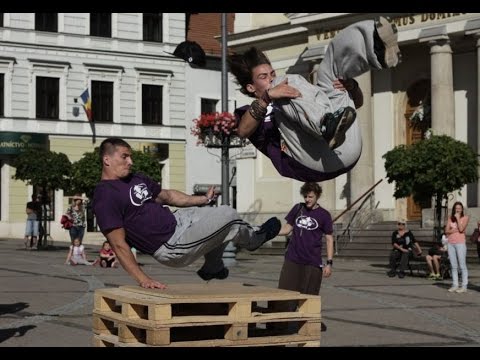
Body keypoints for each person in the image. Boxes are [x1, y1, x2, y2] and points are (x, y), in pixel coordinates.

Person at [92, 137, 282, 289]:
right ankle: (255, 239)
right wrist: (143, 279)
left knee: (216, 217)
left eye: (130, 156)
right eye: (124, 157)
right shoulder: (105, 196)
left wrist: (203, 200)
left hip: (180, 219)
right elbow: (118, 245)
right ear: (107, 159)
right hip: (171, 245)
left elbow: (167, 196)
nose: (130, 162)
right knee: (228, 218)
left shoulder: (136, 178)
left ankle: (212, 267)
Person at [228, 16, 401, 182]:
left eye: (272, 73)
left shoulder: (294, 95)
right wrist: (268, 96)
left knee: (328, 72)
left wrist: (351, 87)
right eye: (264, 77)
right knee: (283, 82)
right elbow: (243, 131)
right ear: (251, 87)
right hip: (310, 161)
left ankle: (374, 45)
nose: (271, 79)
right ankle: (325, 125)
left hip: (346, 149)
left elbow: (358, 103)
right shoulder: (248, 112)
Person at [276, 182, 333, 332]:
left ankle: (310, 323)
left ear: (317, 196)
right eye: (305, 196)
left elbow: (329, 239)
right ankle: (279, 325)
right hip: (293, 259)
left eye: (310, 197)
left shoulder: (324, 215)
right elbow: (287, 229)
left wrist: (329, 263)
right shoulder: (298, 208)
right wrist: (269, 232)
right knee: (284, 292)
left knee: (310, 296)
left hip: (312, 262)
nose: (307, 199)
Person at [446, 201, 469, 293]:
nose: (458, 209)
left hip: (460, 243)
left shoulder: (465, 217)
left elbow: (461, 229)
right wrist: (454, 230)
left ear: (462, 209)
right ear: (454, 209)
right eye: (456, 208)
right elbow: (446, 231)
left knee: (462, 265)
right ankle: (455, 284)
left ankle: (464, 286)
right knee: (453, 265)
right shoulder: (450, 218)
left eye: (459, 208)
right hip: (450, 243)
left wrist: (458, 218)